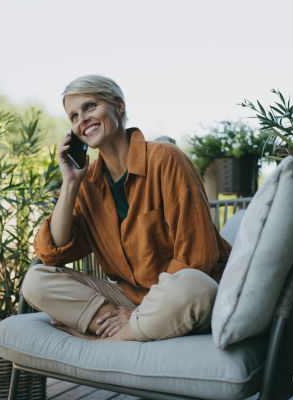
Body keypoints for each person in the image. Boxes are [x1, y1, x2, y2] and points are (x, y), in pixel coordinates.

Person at [25, 75, 231, 342]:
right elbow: (52, 253)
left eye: (90, 107)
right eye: (73, 117)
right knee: (35, 280)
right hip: (131, 300)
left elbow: (197, 257)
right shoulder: (87, 184)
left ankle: (102, 341)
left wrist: (141, 312)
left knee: (193, 286)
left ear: (119, 106)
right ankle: (130, 331)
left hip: (182, 296)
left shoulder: (166, 159)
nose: (82, 120)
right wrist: (70, 183)